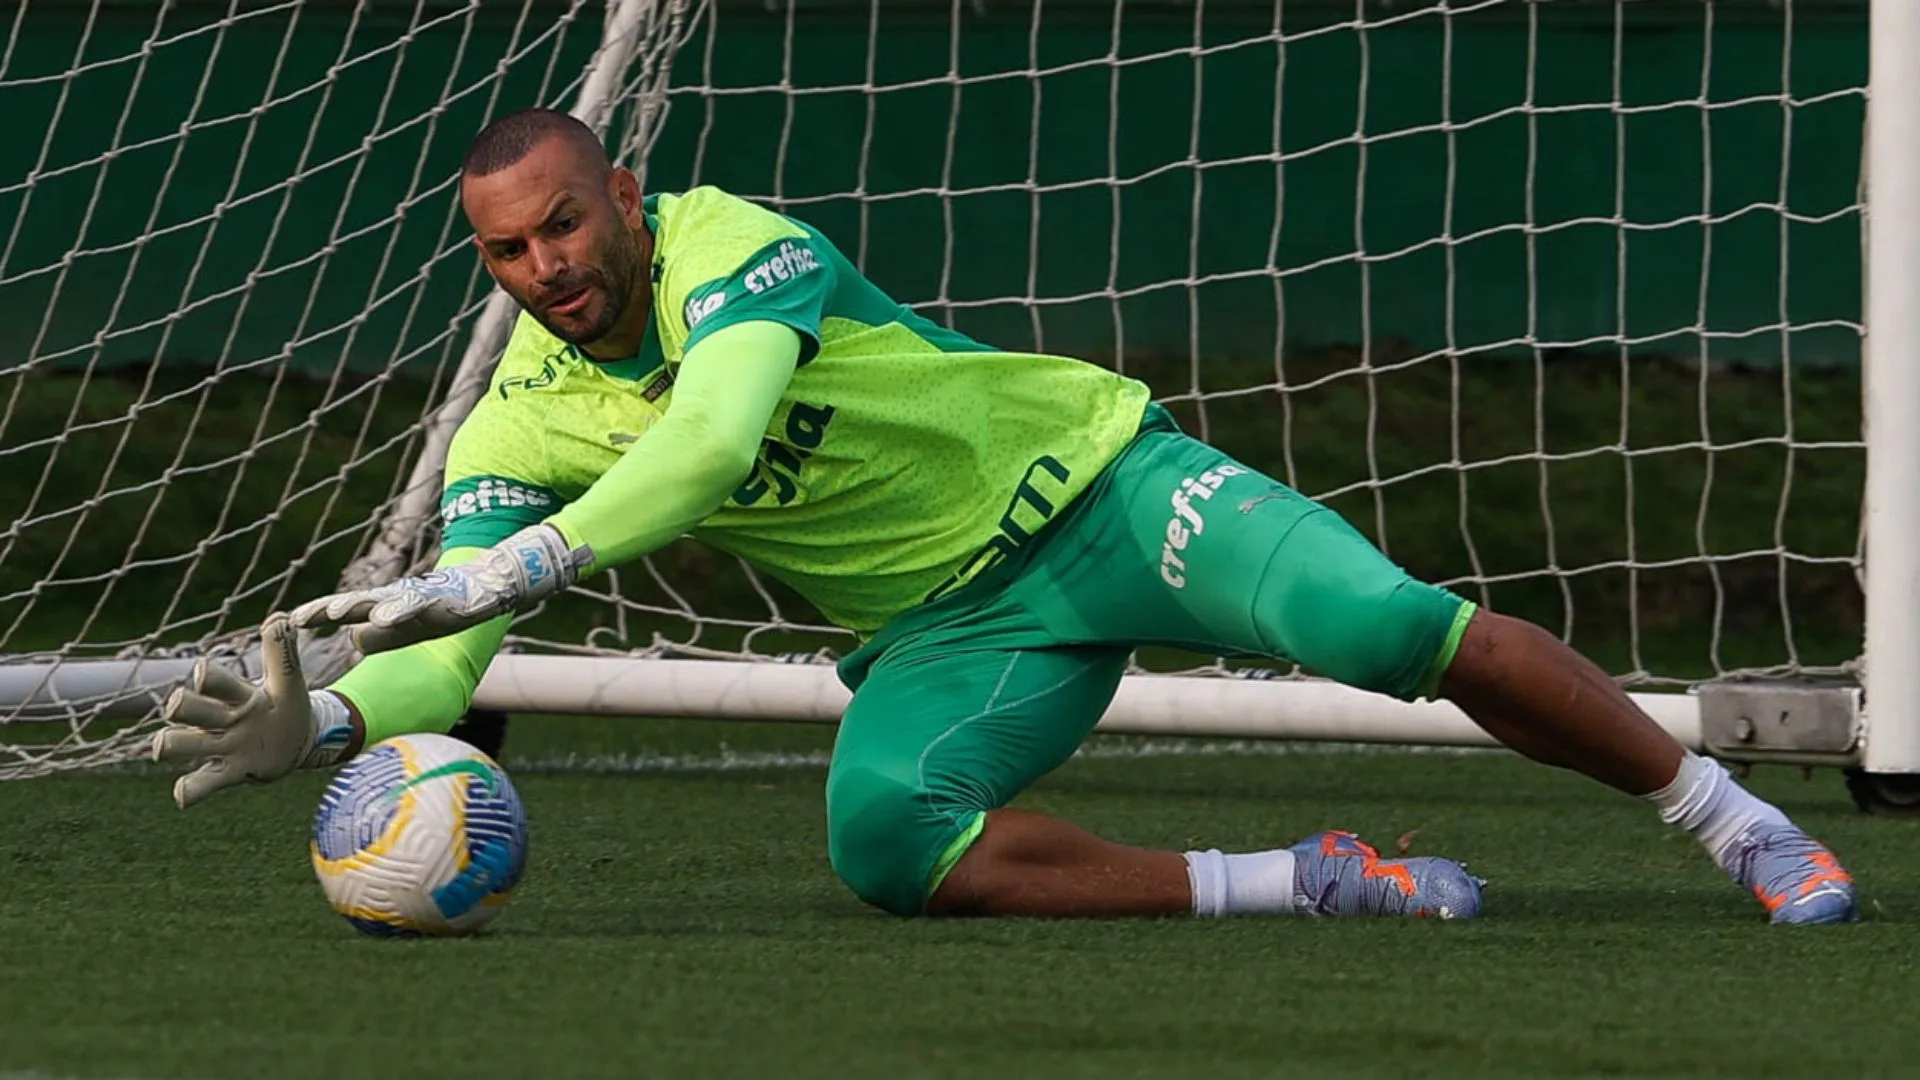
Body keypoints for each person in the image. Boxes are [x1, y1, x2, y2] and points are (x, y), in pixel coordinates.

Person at [152, 107, 1857, 926]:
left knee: (1387, 627)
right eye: (508, 254)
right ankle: (1305, 880)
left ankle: (1730, 821)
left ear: (626, 199)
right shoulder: (516, 414)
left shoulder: (738, 244)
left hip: (1100, 489)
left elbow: (714, 440)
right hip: (959, 632)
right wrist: (342, 717)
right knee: (885, 843)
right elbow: (458, 637)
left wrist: (522, 558)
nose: (546, 269)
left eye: (564, 228)